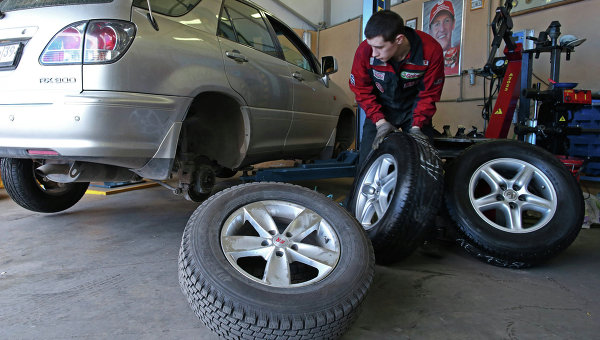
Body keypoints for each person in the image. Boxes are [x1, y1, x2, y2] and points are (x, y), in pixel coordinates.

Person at [349, 10, 445, 169]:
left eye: (379, 47)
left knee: (425, 163)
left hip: (414, 109)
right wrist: (380, 122)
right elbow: (361, 89)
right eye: (371, 46)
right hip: (380, 108)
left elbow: (429, 93)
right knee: (367, 163)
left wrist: (417, 126)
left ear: (399, 39)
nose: (374, 53)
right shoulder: (365, 51)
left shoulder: (430, 51)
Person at [429, 0, 460, 74]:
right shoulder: (425, 60)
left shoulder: (460, 52)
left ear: (453, 24)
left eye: (446, 21)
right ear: (430, 31)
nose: (442, 29)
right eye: (437, 24)